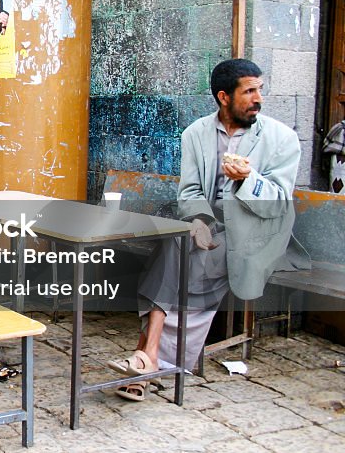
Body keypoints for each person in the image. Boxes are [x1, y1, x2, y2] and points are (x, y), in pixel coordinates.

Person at [107, 58, 310, 400]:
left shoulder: (281, 139)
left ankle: (148, 354)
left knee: (179, 256)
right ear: (224, 97)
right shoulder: (196, 134)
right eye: (249, 91)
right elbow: (189, 192)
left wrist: (249, 180)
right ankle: (151, 358)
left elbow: (277, 204)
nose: (258, 98)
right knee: (178, 244)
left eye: (260, 89)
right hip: (211, 223)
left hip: (256, 230)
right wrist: (199, 220)